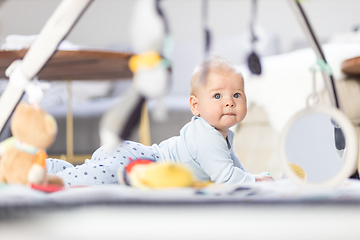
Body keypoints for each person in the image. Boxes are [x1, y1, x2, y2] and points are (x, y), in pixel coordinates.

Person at [47, 55, 273, 186]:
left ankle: (50, 167)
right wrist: (254, 183)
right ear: (195, 106)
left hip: (139, 158)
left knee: (92, 170)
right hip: (138, 161)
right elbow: (226, 177)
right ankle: (55, 180)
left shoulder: (221, 135)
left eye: (237, 95)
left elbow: (233, 165)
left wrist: (254, 176)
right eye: (217, 96)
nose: (229, 102)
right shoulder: (206, 137)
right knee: (101, 177)